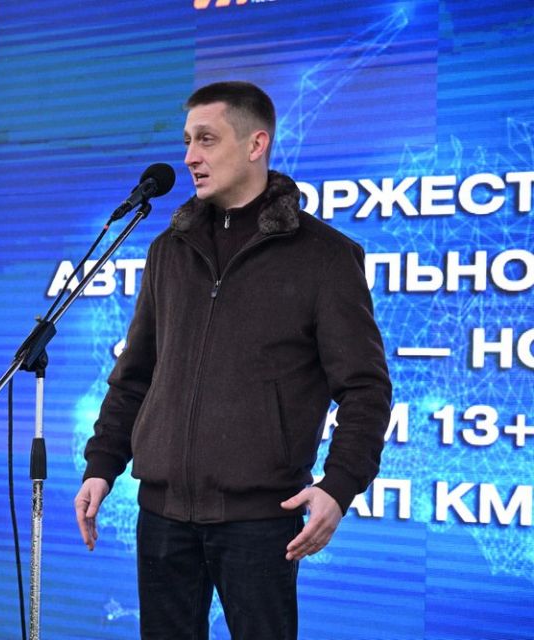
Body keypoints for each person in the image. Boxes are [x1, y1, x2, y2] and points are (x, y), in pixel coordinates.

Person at [74, 81, 392, 639]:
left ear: (255, 144)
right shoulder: (168, 250)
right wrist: (102, 464)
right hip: (162, 516)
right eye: (187, 141)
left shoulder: (325, 257)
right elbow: (136, 376)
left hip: (262, 522)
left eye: (207, 139)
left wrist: (339, 486)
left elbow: (366, 388)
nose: (190, 157)